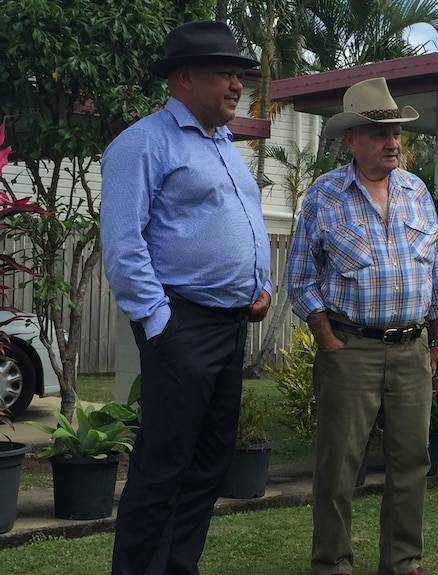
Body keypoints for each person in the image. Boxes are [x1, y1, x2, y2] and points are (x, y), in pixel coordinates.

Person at [100, 20, 272, 575]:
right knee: (163, 464)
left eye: (239, 73)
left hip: (229, 326)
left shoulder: (224, 145)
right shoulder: (143, 143)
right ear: (183, 78)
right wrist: (159, 323)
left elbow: (239, 222)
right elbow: (123, 245)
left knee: (209, 462)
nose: (236, 83)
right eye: (225, 72)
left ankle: (179, 567)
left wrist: (260, 283)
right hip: (182, 325)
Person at [286, 77, 438, 575]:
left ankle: (402, 563)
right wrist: (324, 334)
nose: (393, 142)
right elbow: (298, 276)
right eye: (379, 133)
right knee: (338, 468)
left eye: (397, 132)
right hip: (350, 350)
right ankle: (333, 563)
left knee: (411, 464)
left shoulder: (416, 192)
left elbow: (436, 274)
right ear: (351, 140)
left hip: (410, 350)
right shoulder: (325, 195)